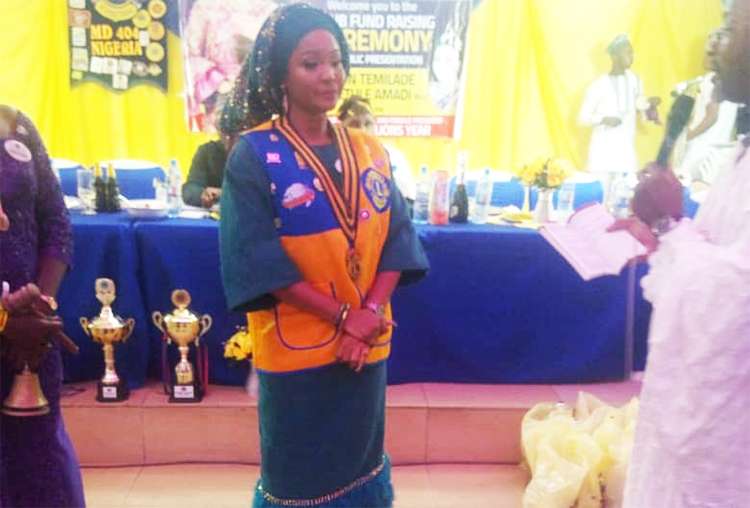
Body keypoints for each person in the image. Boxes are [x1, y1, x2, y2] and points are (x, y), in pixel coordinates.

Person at [218, 4, 429, 506]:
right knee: (298, 480)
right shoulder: (254, 155)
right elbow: (258, 261)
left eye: (335, 61)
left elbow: (398, 239)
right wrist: (344, 318)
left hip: (365, 345)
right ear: (281, 75)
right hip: (298, 351)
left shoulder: (369, 150)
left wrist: (368, 313)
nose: (329, 74)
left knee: (361, 465)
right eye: (310, 63)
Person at [611, 1, 750, 504]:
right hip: (699, 428)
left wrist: (669, 227)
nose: (713, 42)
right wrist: (661, 238)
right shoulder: (742, 154)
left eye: (728, 28)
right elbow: (710, 255)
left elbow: (735, 298)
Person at [0, 106, 85, 506]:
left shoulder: (16, 124)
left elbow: (56, 222)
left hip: (32, 333)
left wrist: (42, 302)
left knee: (40, 449)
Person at [578, 34, 661, 205]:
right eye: (627, 52)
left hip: (625, 150)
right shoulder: (598, 85)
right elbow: (583, 117)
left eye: (632, 52)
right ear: (614, 56)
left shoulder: (635, 80)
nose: (631, 56)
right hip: (603, 149)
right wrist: (603, 119)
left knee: (623, 198)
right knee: (600, 199)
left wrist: (650, 109)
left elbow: (639, 106)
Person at [673, 28, 740, 184]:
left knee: (684, 183)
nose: (706, 57)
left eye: (710, 54)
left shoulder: (713, 81)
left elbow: (712, 117)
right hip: (716, 151)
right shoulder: (732, 83)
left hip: (701, 148)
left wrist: (687, 136)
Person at [337, 95, 417, 210]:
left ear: (375, 125)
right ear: (341, 126)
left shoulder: (392, 156)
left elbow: (406, 205)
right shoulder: (334, 157)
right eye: (354, 124)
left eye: (367, 124)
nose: (362, 130)